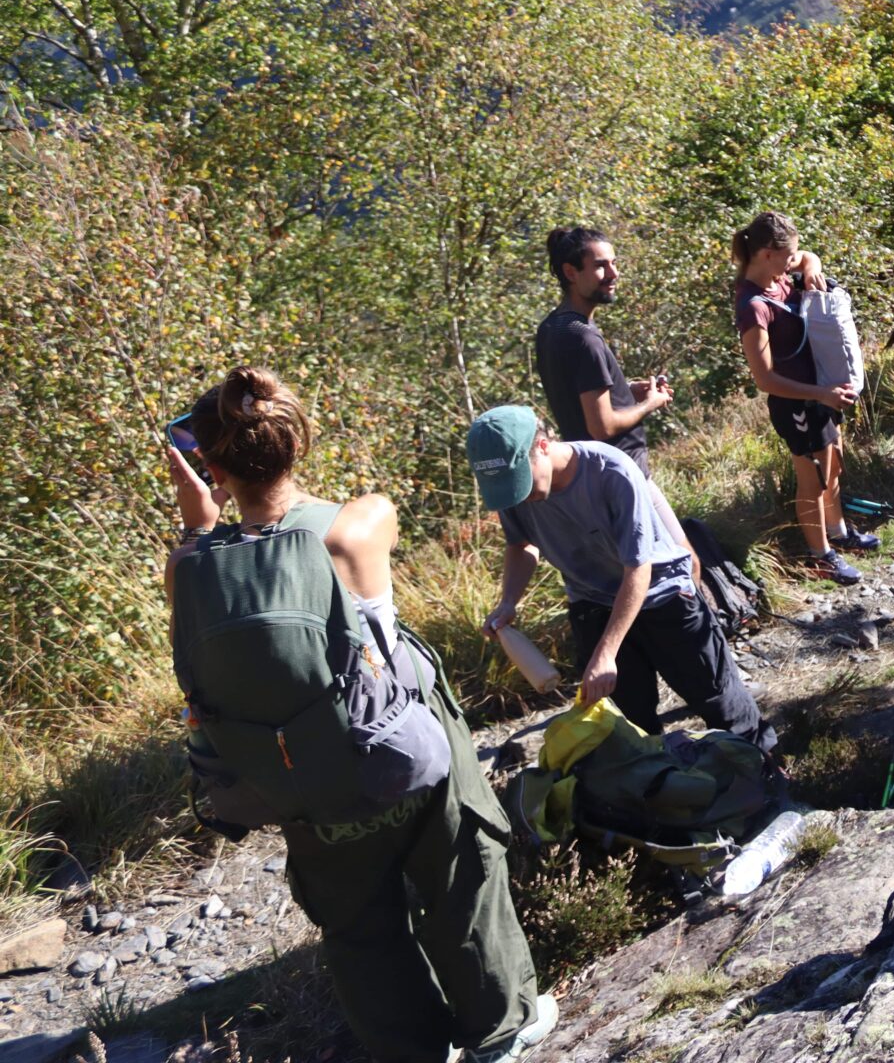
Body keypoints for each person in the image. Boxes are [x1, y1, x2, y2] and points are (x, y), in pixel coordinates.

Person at [165, 368, 555, 1063]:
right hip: (403, 746)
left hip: (303, 776)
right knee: (462, 879)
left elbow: (215, 561)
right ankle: (504, 1026)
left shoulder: (187, 565)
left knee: (357, 925)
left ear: (211, 470)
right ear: (296, 442)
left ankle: (411, 1051)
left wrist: (202, 521)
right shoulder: (361, 524)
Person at [470, 406, 776, 754]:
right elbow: (520, 544)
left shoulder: (610, 471)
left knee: (718, 699)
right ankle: (660, 780)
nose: (520, 496)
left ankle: (764, 767)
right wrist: (508, 601)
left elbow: (638, 569)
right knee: (629, 724)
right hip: (592, 603)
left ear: (542, 446)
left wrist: (606, 653)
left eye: (521, 483)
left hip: (662, 595)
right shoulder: (511, 492)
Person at [732, 211, 875, 585]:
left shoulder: (778, 275)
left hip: (822, 392)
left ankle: (839, 532)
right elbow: (765, 379)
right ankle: (821, 554)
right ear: (767, 254)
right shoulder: (753, 307)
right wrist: (821, 394)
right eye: (787, 256)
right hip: (796, 402)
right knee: (812, 481)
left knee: (833, 467)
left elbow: (808, 257)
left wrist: (811, 266)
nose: (791, 262)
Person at [536, 226, 673, 476]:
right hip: (621, 473)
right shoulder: (584, 337)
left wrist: (625, 390)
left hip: (592, 472)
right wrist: (650, 404)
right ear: (570, 272)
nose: (614, 273)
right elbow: (602, 427)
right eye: (601, 266)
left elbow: (575, 396)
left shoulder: (551, 327)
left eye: (614, 263)